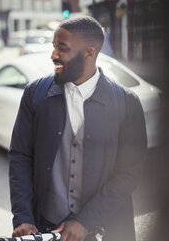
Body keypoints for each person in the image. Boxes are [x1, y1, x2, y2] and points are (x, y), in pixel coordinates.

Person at [8, 16, 147, 241]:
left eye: (62, 49)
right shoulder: (35, 94)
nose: (53, 55)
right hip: (45, 227)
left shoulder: (127, 103)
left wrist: (85, 221)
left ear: (89, 53)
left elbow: (129, 172)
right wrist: (23, 216)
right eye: (54, 47)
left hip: (106, 230)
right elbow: (20, 157)